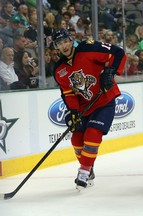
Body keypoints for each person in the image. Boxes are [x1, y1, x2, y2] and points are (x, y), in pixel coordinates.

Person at [51, 28, 126, 190]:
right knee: (76, 139)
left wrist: (110, 72)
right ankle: (89, 169)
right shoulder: (59, 69)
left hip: (104, 100)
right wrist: (73, 112)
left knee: (93, 133)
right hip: (85, 106)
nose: (64, 46)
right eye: (59, 44)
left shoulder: (87, 48)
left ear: (71, 40)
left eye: (65, 41)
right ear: (56, 48)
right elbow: (68, 93)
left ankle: (84, 171)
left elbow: (118, 52)